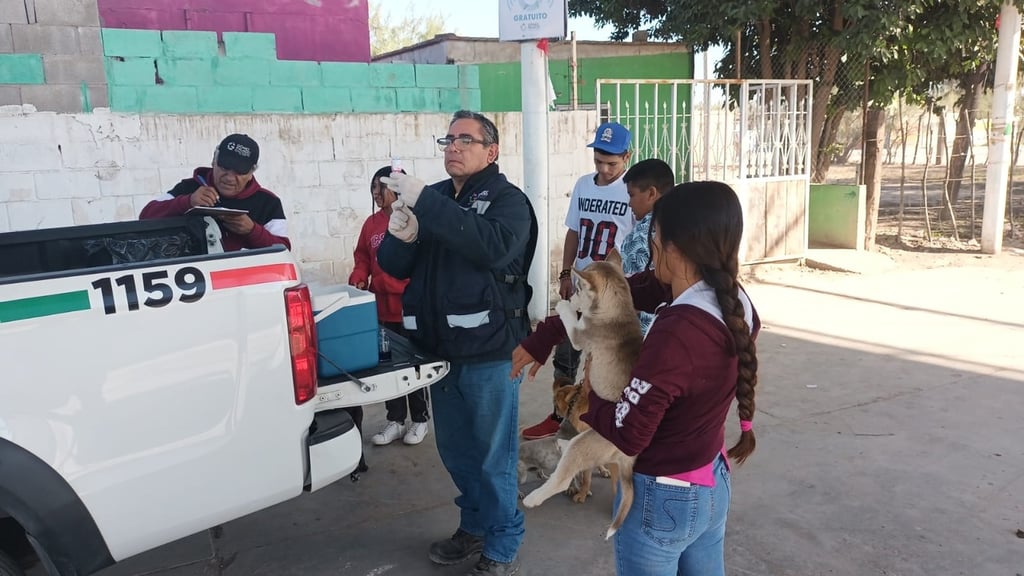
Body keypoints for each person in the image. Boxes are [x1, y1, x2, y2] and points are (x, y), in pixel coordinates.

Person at [512, 181, 761, 576]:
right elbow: (623, 292)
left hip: (663, 495)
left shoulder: (678, 331)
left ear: (676, 247)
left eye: (655, 235)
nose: (651, 245)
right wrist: (546, 336)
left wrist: (589, 397)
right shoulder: (735, 302)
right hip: (710, 479)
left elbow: (627, 434)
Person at [377, 110, 537, 576]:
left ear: (491, 151)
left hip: (490, 352)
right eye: (448, 139)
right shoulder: (436, 199)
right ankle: (474, 527)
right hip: (440, 352)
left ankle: (503, 543)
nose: (452, 147)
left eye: (465, 140)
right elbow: (395, 266)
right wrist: (401, 230)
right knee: (458, 452)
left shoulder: (509, 201)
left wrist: (426, 203)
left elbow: (492, 247)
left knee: (494, 458)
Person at [521, 121, 634, 441]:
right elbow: (574, 231)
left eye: (612, 163)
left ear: (627, 156)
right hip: (581, 284)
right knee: (566, 352)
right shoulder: (584, 184)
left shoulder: (632, 190)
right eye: (599, 160)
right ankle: (561, 415)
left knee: (604, 359)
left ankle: (605, 423)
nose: (604, 168)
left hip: (611, 291)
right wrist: (566, 272)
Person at [348, 165, 430, 447]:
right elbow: (362, 257)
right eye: (372, 188)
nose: (375, 193)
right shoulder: (370, 224)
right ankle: (395, 420)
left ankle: (420, 419)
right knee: (389, 368)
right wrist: (359, 278)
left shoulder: (414, 219)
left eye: (379, 187)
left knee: (413, 366)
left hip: (409, 308)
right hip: (381, 310)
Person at [139, 134, 290, 251]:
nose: (230, 178)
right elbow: (145, 216)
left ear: (251, 172)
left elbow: (284, 250)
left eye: (239, 172)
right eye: (224, 168)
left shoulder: (268, 203)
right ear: (213, 161)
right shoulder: (189, 188)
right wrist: (187, 202)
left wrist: (252, 230)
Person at [620, 158, 675, 335]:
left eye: (631, 195)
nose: (629, 203)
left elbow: (630, 298)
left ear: (651, 193)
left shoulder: (640, 235)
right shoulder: (680, 226)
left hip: (641, 336)